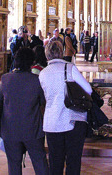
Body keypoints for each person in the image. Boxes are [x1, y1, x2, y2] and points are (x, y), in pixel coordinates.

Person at [39, 40, 91, 175]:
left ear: (47, 55)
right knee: (73, 161)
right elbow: (88, 89)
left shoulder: (43, 73)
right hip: (73, 119)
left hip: (52, 122)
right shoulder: (69, 68)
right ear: (61, 52)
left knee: (55, 162)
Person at [0, 55, 47, 175]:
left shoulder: (6, 78)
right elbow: (43, 101)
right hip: (33, 128)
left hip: (10, 129)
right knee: (39, 162)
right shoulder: (36, 80)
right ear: (31, 63)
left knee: (13, 163)